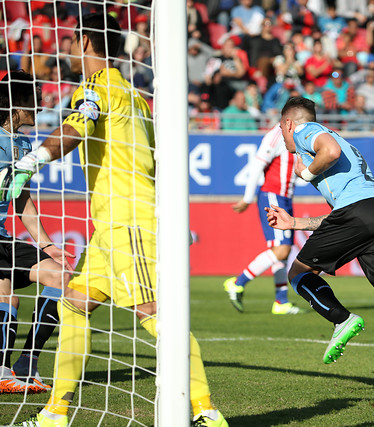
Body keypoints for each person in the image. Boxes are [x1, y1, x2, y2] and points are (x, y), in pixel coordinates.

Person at [7, 14, 227, 426]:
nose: (68, 51)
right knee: (74, 303)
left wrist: (35, 158)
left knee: (156, 314)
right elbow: (156, 160)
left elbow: (75, 129)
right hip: (112, 225)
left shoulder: (97, 88)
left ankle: (205, 410)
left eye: (71, 42)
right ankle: (55, 412)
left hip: (128, 221)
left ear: (86, 41)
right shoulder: (137, 98)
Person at [265, 96, 374, 395]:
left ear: (288, 123)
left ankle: (341, 319)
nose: (283, 139)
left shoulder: (305, 130)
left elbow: (330, 154)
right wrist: (296, 223)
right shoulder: (343, 144)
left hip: (361, 211)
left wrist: (305, 173)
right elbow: (345, 214)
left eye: (281, 131)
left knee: (297, 273)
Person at [0, 71, 73, 394]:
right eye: (35, 96)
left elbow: (22, 198)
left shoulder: (23, 143)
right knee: (8, 295)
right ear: (17, 104)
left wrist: (47, 245)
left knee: (59, 276)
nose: (42, 102)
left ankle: (24, 364)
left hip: (2, 237)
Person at [222, 125, 302, 315]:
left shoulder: (297, 135)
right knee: (281, 250)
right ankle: (237, 282)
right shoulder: (277, 134)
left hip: (284, 197)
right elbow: (258, 164)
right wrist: (248, 198)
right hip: (273, 196)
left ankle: (281, 301)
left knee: (283, 249)